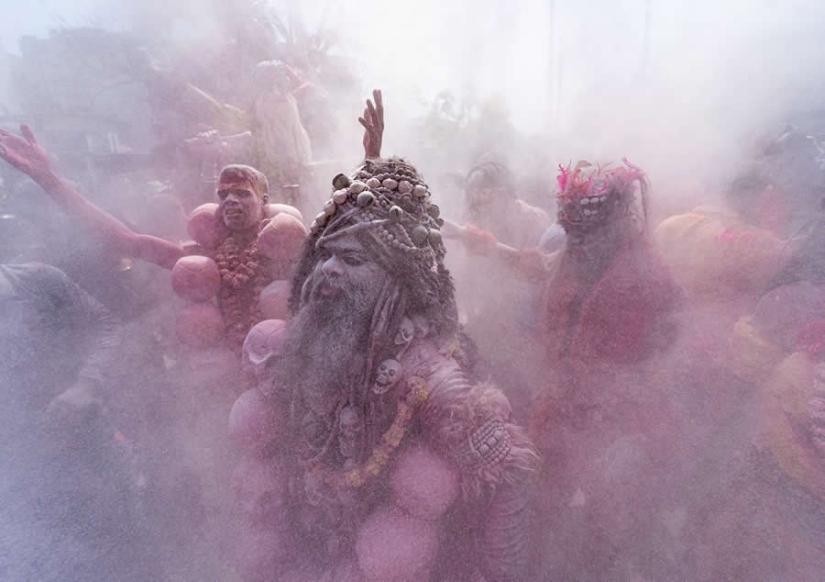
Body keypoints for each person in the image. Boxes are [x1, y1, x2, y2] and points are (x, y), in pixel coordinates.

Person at [228, 92, 538, 581]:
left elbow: (511, 473)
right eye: (327, 255)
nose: (329, 269)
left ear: (395, 283)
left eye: (351, 260)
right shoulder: (305, 343)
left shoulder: (426, 376)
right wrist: (370, 163)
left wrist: (499, 573)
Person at [0, 125, 300, 351]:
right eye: (223, 195)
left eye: (242, 193)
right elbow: (126, 240)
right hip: (231, 377)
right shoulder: (205, 261)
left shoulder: (292, 248)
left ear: (264, 201)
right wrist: (48, 179)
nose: (231, 200)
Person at [528, 160, 685, 580]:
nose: (579, 243)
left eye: (589, 233)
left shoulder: (652, 277)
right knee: (536, 504)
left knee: (607, 523)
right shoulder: (569, 257)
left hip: (616, 421)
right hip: (558, 404)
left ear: (616, 223)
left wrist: (627, 413)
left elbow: (670, 349)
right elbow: (539, 269)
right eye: (574, 232)